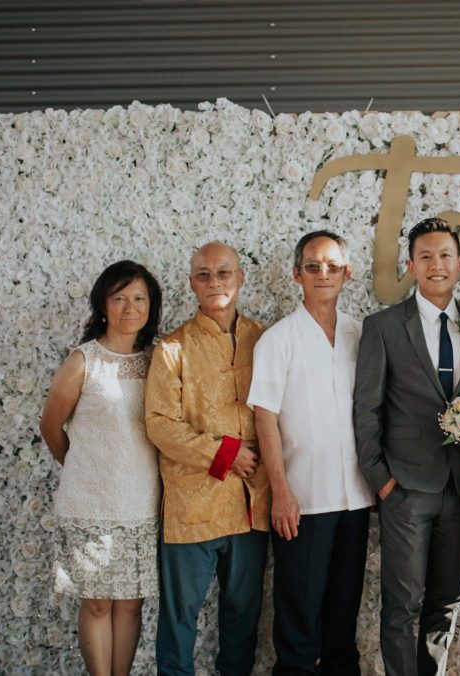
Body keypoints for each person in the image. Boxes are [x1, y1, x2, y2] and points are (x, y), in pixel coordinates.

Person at [249, 230, 374, 675]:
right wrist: (280, 491)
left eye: (333, 266)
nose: (324, 274)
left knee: (343, 621)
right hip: (302, 502)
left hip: (356, 499)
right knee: (299, 625)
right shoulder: (278, 340)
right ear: (297, 273)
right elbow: (264, 418)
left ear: (347, 273)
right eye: (314, 266)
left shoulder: (363, 335)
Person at [353, 217, 460, 676]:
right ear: (411, 265)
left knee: (446, 601)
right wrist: (381, 480)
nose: (436, 265)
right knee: (402, 604)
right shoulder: (383, 327)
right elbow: (366, 408)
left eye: (444, 255)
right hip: (404, 488)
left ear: (459, 263)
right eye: (425, 256)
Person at [145, 241, 271, 676]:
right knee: (181, 617)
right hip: (192, 505)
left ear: (240, 278)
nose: (214, 282)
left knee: (243, 617)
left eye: (223, 273)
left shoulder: (265, 339)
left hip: (252, 506)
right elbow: (160, 423)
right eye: (204, 275)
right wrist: (226, 453)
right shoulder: (172, 348)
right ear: (191, 284)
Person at [40, 260, 163, 676]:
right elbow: (50, 425)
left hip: (141, 504)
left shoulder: (157, 361)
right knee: (97, 602)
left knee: (130, 603)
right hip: (89, 503)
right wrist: (83, 465)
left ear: (151, 305)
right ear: (103, 305)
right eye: (120, 297)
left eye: (139, 298)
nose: (131, 307)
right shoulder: (83, 361)